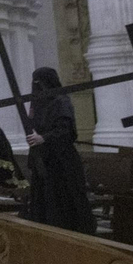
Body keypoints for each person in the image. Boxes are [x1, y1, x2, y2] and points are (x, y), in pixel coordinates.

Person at [23, 68, 96, 234]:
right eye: (35, 83)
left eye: (40, 83)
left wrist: (44, 138)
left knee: (63, 199)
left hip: (61, 160)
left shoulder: (61, 101)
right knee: (44, 199)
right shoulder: (38, 102)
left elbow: (66, 131)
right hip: (43, 159)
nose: (37, 86)